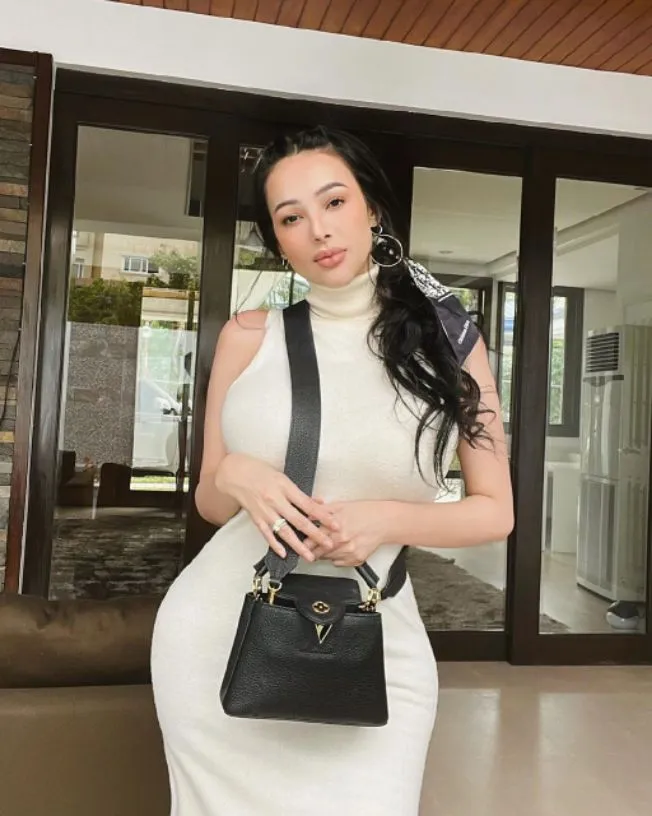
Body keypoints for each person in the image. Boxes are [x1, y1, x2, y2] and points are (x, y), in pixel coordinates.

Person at [151, 126, 514, 815]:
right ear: (278, 241)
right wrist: (237, 475)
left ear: (371, 208)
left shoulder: (449, 342)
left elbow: (495, 510)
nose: (318, 229)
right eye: (291, 218)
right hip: (220, 635)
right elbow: (211, 501)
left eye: (335, 202)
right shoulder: (248, 336)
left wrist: (384, 520)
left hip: (376, 641)